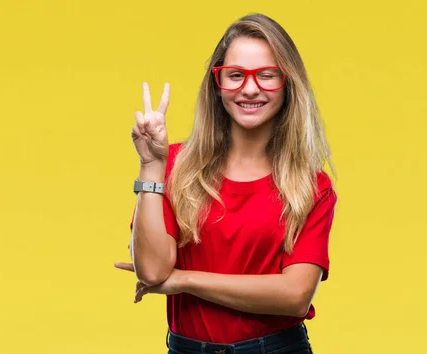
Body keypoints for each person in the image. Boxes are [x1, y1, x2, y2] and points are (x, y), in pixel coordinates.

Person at [114, 13, 338, 354]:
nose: (250, 88)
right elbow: (154, 270)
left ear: (288, 84)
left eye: (267, 76)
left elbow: (295, 296)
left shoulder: (311, 186)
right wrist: (150, 165)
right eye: (235, 76)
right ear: (217, 85)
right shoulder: (174, 166)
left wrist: (184, 279)